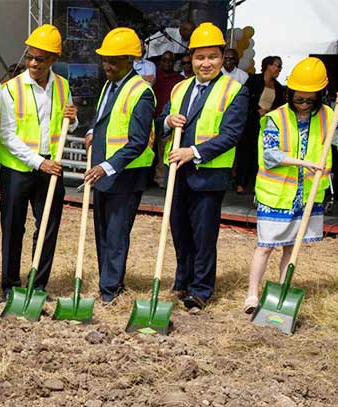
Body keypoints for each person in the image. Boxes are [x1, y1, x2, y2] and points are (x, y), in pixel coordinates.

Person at [244, 59, 338, 313]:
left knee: (291, 247)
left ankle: (282, 292)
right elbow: (271, 155)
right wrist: (305, 163)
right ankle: (252, 294)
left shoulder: (329, 115)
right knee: (265, 246)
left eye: (309, 100)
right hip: (276, 194)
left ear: (319, 96)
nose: (303, 104)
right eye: (298, 99)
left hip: (307, 195)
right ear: (290, 94)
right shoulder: (276, 117)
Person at [157, 22, 248, 311]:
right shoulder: (180, 88)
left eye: (212, 57)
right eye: (199, 57)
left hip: (208, 175)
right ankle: (182, 281)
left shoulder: (235, 90)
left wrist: (193, 152)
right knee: (180, 230)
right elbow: (161, 121)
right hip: (177, 173)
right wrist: (168, 122)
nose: (205, 63)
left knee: (204, 235)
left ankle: (200, 289)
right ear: (191, 59)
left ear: (222, 58)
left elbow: (231, 135)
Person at [0, 24, 77, 301]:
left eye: (39, 59)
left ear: (53, 59)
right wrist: (37, 162)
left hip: (51, 168)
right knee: (12, 227)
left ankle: (38, 284)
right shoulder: (9, 90)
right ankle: (9, 284)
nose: (32, 63)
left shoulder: (63, 86)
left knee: (47, 227)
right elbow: (6, 135)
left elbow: (66, 127)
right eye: (29, 56)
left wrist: (73, 118)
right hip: (18, 169)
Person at [83, 27, 155, 304]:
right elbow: (104, 120)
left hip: (124, 175)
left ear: (130, 60)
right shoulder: (109, 85)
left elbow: (137, 142)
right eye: (104, 60)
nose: (107, 66)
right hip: (103, 170)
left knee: (115, 233)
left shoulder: (142, 92)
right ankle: (107, 280)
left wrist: (107, 167)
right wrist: (91, 132)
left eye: (113, 61)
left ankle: (110, 290)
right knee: (102, 232)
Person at [235, 56, 286, 194]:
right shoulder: (253, 80)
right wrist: (257, 110)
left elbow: (280, 107)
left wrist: (268, 112)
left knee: (259, 155)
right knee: (245, 152)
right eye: (276, 65)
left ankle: (254, 184)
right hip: (250, 121)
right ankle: (240, 183)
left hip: (266, 124)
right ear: (267, 66)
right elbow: (243, 97)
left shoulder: (279, 88)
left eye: (280, 67)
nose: (278, 69)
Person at [152, 51, 185, 187]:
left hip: (169, 121)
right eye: (164, 60)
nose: (167, 63)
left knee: (163, 152)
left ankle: (162, 181)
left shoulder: (179, 80)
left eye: (170, 60)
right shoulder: (155, 77)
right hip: (153, 119)